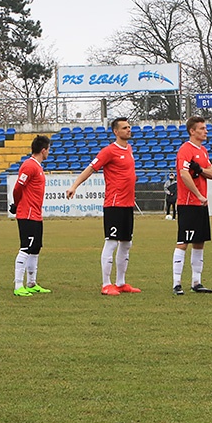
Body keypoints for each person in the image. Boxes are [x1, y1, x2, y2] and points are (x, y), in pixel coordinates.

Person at [67, 117, 141, 296]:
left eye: (129, 127)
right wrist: (74, 185)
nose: (128, 130)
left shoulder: (129, 149)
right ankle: (106, 284)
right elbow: (91, 168)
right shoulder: (108, 151)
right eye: (124, 128)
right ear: (116, 131)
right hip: (114, 204)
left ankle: (121, 282)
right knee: (112, 242)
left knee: (126, 243)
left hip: (127, 203)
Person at [173, 116, 212, 295]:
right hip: (188, 203)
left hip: (200, 204)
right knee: (183, 241)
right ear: (192, 131)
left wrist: (200, 170)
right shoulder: (185, 149)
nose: (206, 131)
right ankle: (176, 283)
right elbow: (183, 174)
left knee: (199, 242)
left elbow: (211, 173)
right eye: (202, 128)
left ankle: (196, 282)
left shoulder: (203, 151)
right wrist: (198, 194)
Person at [11, 135, 52, 297]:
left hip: (35, 214)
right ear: (43, 150)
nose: (49, 152)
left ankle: (32, 282)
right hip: (27, 213)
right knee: (26, 247)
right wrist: (17, 204)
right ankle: (18, 285)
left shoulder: (37, 166)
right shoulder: (29, 166)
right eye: (48, 149)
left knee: (35, 248)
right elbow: (17, 188)